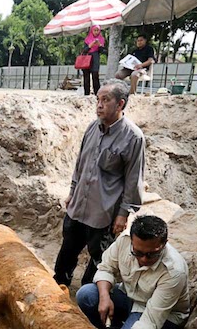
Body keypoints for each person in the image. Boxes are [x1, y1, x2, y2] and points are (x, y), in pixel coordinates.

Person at [53, 79, 145, 287]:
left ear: (120, 104)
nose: (99, 105)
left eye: (105, 100)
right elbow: (80, 163)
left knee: (99, 260)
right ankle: (59, 285)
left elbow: (133, 179)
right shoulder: (92, 128)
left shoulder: (133, 137)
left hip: (104, 212)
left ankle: (87, 300)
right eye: (98, 100)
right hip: (78, 207)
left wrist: (123, 213)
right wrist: (72, 191)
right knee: (67, 251)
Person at [76, 215, 189, 329]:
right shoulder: (124, 241)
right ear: (132, 242)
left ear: (164, 245)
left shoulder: (174, 272)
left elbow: (151, 319)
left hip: (157, 312)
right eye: (138, 253)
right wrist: (104, 297)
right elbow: (106, 268)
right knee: (86, 295)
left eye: (151, 254)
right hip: (129, 294)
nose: (143, 259)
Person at [82, 25, 105, 96]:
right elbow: (84, 51)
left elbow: (103, 51)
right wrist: (90, 45)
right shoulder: (87, 39)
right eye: (94, 30)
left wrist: (99, 45)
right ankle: (86, 94)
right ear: (92, 31)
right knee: (86, 77)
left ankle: (97, 94)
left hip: (95, 58)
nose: (96, 32)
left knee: (95, 76)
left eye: (97, 30)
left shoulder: (101, 39)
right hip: (87, 58)